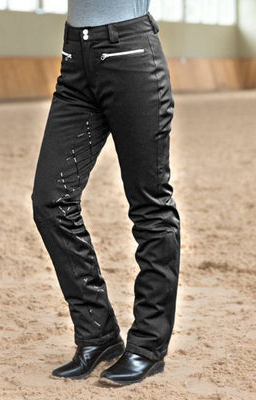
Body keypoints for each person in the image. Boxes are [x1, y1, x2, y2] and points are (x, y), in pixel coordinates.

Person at [31, 0, 181, 386]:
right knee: (51, 201)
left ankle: (148, 345)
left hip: (130, 54)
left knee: (150, 207)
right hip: (75, 58)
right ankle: (97, 334)